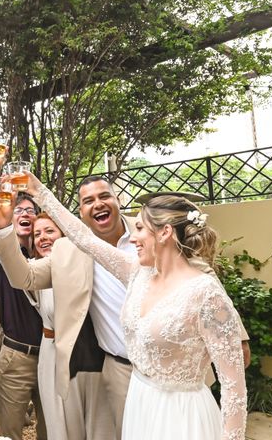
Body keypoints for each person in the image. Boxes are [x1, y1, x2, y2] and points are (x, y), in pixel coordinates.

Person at [23, 173, 247, 440]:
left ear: (164, 233)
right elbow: (83, 238)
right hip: (140, 404)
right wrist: (39, 191)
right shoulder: (137, 274)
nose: (133, 238)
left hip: (182, 413)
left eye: (140, 229)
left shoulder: (205, 292)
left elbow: (234, 388)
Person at [0, 176, 132, 440]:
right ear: (80, 212)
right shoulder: (68, 251)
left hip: (155, 366)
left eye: (104, 196)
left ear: (118, 199)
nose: (98, 204)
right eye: (88, 200)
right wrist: (1, 227)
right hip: (110, 363)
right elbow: (24, 277)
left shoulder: (147, 234)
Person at [25, 213, 109, 440]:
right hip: (51, 351)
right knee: (58, 419)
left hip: (87, 351)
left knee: (92, 420)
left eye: (49, 231)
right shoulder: (34, 270)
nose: (42, 237)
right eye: (37, 234)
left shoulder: (83, 265)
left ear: (64, 234)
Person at [0, 143, 46, 440]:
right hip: (16, 355)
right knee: (9, 433)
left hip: (52, 356)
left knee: (54, 428)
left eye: (30, 211)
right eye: (17, 210)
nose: (23, 213)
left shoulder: (53, 255)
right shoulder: (2, 249)